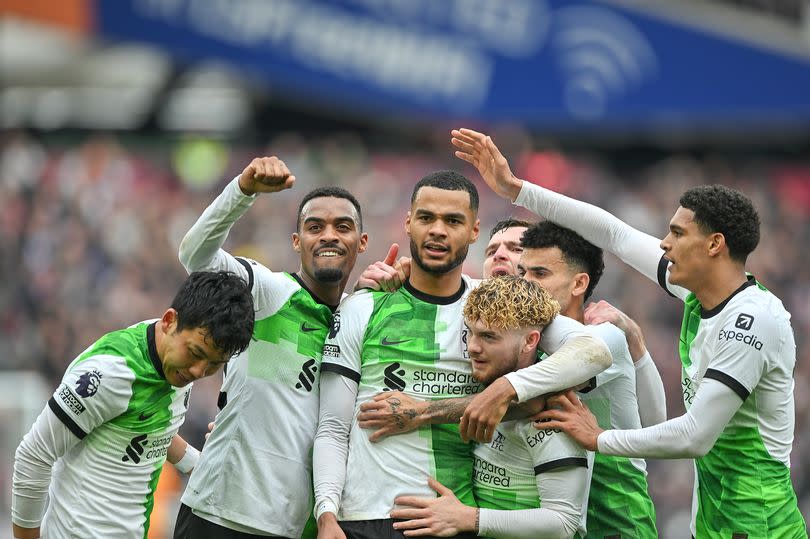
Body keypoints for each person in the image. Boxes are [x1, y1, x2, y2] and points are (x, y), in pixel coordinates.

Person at [452, 128, 806, 537]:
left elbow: (694, 436)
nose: (665, 244)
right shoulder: (698, 296)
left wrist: (598, 437)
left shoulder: (751, 320)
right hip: (713, 518)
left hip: (758, 524)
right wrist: (517, 190)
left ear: (714, 245)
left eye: (677, 233)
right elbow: (614, 234)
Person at [313, 170, 611, 539]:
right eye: (426, 218)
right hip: (363, 517)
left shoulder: (494, 306)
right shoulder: (364, 306)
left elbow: (593, 351)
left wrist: (499, 392)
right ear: (408, 223)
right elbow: (331, 426)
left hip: (450, 518)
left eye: (453, 220)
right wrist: (326, 513)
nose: (438, 230)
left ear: (473, 231)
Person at [175, 157, 368, 538]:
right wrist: (242, 191)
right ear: (297, 242)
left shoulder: (361, 318)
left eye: (342, 227)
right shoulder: (267, 292)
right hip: (218, 513)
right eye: (315, 227)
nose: (328, 235)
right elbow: (195, 258)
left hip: (297, 526)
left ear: (362, 243)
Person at [11, 271, 255, 539]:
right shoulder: (111, 373)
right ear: (170, 321)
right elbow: (33, 456)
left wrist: (199, 464)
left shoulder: (175, 360)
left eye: (214, 364)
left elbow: (145, 430)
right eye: (196, 354)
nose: (199, 371)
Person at [388, 276, 590, 538]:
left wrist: (468, 518)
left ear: (530, 341)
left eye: (488, 337)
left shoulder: (555, 413)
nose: (472, 347)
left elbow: (563, 522)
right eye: (470, 332)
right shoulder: (486, 386)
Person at [517, 221, 659, 538]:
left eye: (539, 274)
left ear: (579, 283)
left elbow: (657, 424)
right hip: (550, 518)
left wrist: (635, 339)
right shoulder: (523, 335)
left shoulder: (601, 338)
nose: (525, 284)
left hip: (614, 520)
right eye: (521, 273)